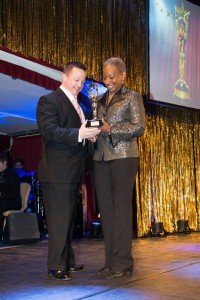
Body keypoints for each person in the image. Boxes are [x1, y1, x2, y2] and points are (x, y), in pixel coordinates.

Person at [36, 61, 101, 281]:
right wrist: (80, 134)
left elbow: (77, 135)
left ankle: (68, 261)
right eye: (76, 80)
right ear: (64, 77)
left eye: (82, 81)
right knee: (59, 221)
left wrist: (89, 136)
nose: (79, 85)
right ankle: (56, 266)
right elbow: (50, 131)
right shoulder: (49, 101)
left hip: (72, 173)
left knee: (68, 219)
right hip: (56, 173)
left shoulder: (79, 106)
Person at [93, 57, 146, 279]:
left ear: (123, 75)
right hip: (101, 157)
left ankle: (123, 262)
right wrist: (92, 132)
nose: (108, 80)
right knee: (106, 211)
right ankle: (110, 261)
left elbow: (139, 126)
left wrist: (110, 128)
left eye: (112, 76)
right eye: (105, 77)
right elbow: (98, 126)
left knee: (121, 210)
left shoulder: (132, 97)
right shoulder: (101, 100)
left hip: (124, 156)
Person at [0, 152, 22, 241]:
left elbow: (14, 193)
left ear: (4, 162)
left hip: (14, 201)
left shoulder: (13, 174)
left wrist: (1, 194)